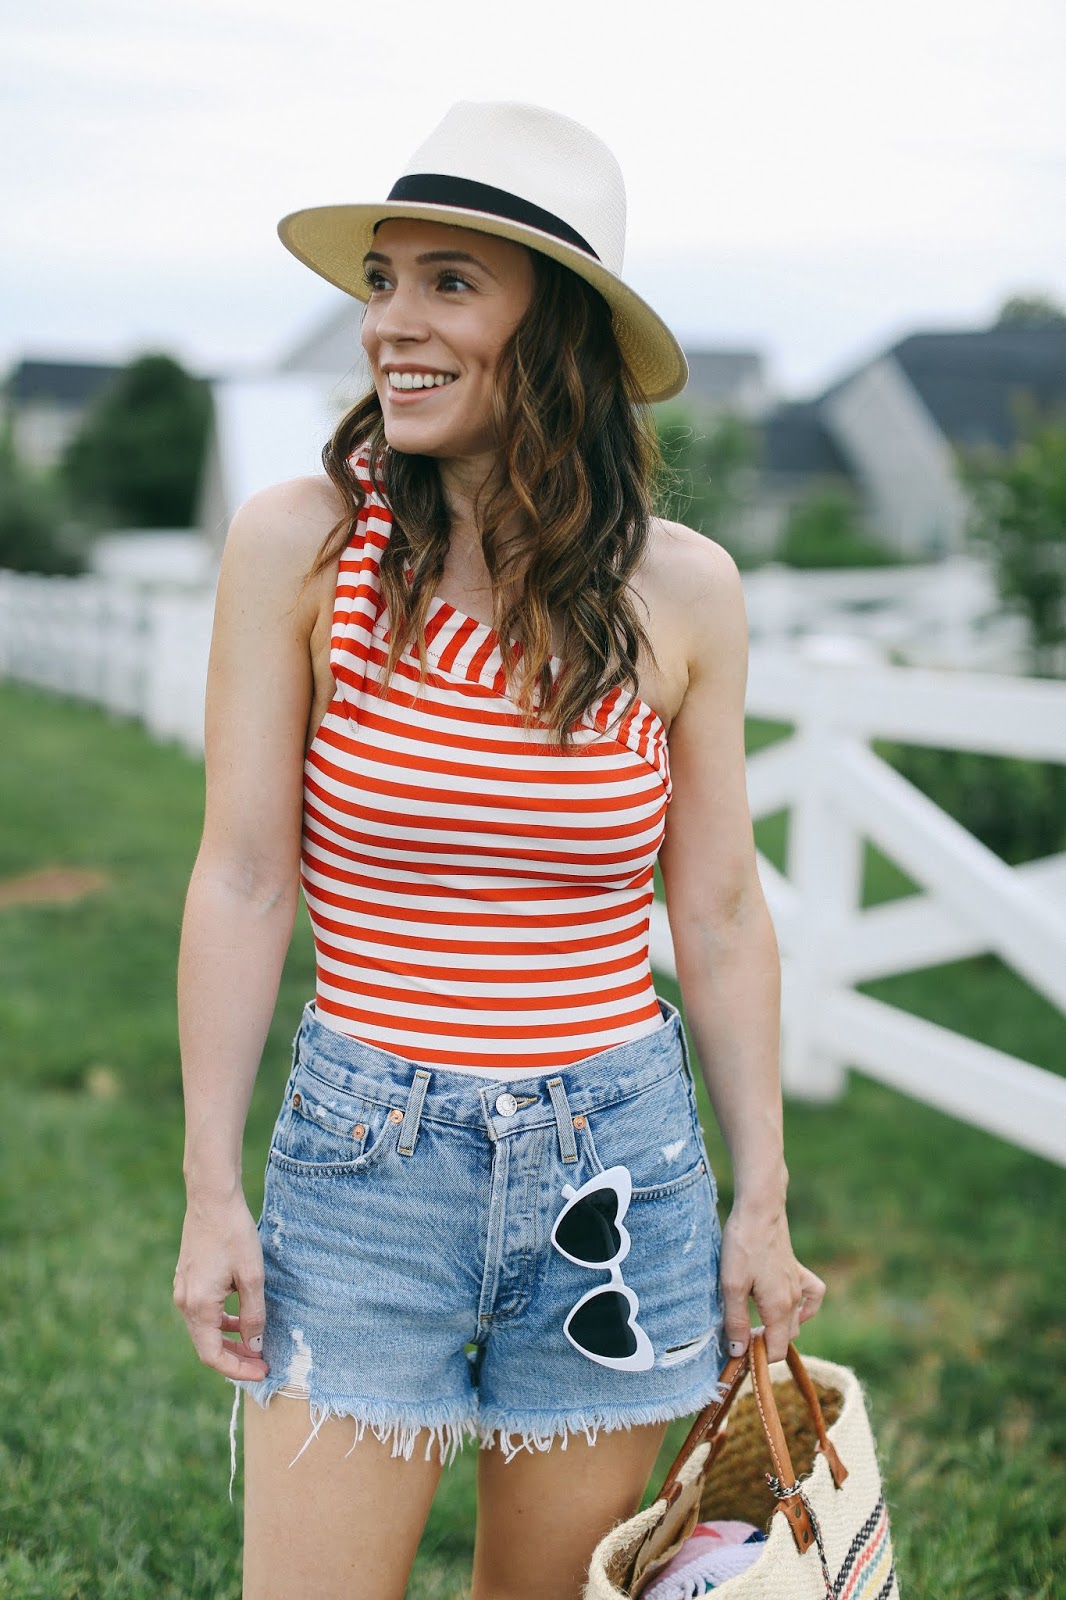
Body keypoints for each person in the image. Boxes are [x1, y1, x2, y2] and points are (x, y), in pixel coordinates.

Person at [173, 101, 826, 1600]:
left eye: (449, 282)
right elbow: (243, 875)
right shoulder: (303, 547)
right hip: (367, 1156)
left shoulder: (683, 594)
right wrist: (212, 1187)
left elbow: (718, 912)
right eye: (382, 280)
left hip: (619, 1173)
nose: (389, 324)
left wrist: (759, 1196)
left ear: (562, 333)